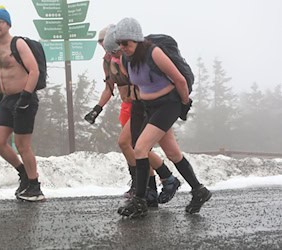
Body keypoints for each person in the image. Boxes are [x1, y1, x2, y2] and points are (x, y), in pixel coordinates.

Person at [114, 17, 212, 218]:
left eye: (126, 43)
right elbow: (137, 87)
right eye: (119, 43)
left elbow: (180, 80)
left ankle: (140, 200)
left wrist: (184, 104)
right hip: (149, 106)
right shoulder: (126, 60)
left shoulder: (154, 53)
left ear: (137, 40)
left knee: (140, 148)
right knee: (172, 152)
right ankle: (199, 191)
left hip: (169, 104)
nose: (122, 47)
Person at [87, 25, 181, 208]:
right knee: (135, 147)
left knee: (132, 145)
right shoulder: (107, 61)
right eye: (100, 43)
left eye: (105, 43)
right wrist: (97, 108)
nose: (103, 47)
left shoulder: (127, 56)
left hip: (141, 105)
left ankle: (164, 179)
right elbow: (109, 88)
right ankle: (149, 189)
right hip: (127, 106)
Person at [0, 6, 44, 202]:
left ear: (8, 24)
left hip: (24, 97)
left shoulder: (18, 43)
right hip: (6, 99)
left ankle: (35, 187)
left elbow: (34, 71)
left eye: (0, 22)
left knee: (22, 145)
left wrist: (26, 96)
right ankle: (23, 174)